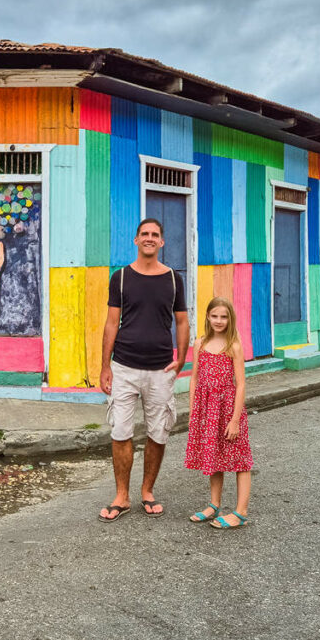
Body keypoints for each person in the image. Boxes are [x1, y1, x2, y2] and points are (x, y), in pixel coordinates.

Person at [98, 218, 189, 522]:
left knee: (158, 433)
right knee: (121, 431)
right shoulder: (121, 278)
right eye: (144, 234)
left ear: (162, 242)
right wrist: (104, 366)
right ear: (136, 240)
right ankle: (121, 496)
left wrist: (182, 358)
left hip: (161, 369)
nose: (149, 238)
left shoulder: (174, 279)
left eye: (155, 235)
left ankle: (147, 491)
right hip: (123, 366)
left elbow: (182, 322)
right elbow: (112, 323)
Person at [185, 297, 253, 529]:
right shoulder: (200, 344)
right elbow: (194, 378)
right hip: (208, 410)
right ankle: (214, 505)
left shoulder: (233, 345)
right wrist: (194, 410)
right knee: (213, 456)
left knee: (240, 458)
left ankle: (240, 512)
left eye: (224, 316)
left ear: (230, 318)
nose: (219, 321)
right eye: (214, 316)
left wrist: (235, 420)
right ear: (207, 316)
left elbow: (241, 384)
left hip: (229, 410)